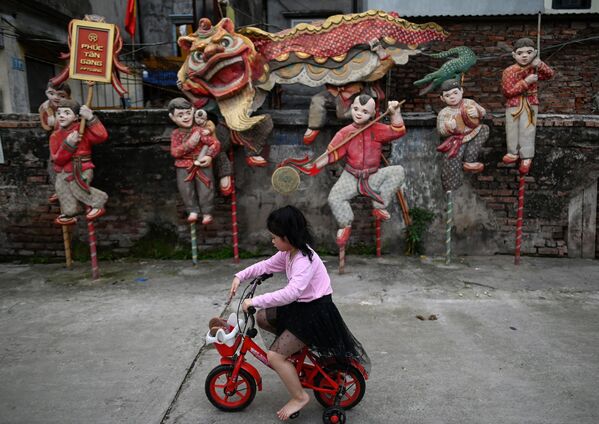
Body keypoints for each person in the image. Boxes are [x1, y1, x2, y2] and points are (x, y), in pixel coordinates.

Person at [229, 205, 369, 421]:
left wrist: (254, 300)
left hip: (314, 314)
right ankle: (292, 357)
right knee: (263, 317)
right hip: (303, 308)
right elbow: (266, 266)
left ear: (287, 237)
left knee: (274, 356)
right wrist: (240, 276)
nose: (272, 241)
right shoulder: (289, 252)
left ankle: (299, 396)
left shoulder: (304, 260)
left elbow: (291, 293)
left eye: (275, 237)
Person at [308, 94, 406, 246]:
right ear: (351, 108)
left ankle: (379, 206)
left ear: (373, 114)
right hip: (351, 177)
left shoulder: (377, 129)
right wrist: (313, 167)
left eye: (365, 111)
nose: (359, 113)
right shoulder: (345, 133)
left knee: (398, 171)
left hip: (373, 175)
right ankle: (345, 224)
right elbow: (331, 154)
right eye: (356, 109)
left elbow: (398, 131)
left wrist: (395, 113)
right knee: (335, 198)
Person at [50, 99, 108, 225]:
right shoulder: (55, 135)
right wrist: (68, 144)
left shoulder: (83, 130)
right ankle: (70, 213)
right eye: (59, 113)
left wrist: (91, 118)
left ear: (76, 117)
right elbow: (58, 160)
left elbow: (101, 136)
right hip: (63, 170)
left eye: (66, 113)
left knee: (77, 187)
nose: (61, 115)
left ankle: (99, 201)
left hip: (81, 167)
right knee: (62, 189)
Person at [502, 37, 554, 174]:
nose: (525, 55)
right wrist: (526, 82)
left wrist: (540, 64)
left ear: (535, 53)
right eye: (520, 53)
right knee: (511, 128)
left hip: (530, 102)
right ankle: (512, 152)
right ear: (514, 55)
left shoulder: (535, 68)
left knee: (528, 130)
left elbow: (550, 74)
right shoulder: (509, 71)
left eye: (529, 52)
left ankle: (526, 157)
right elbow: (508, 92)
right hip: (513, 103)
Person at [168, 98, 220, 224]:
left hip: (202, 163)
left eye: (188, 113)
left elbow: (215, 143)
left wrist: (209, 156)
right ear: (172, 117)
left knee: (206, 188)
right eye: (180, 115)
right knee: (185, 189)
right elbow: (174, 152)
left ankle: (207, 211)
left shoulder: (199, 131)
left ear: (193, 111)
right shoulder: (176, 134)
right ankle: (192, 210)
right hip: (183, 165)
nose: (185, 117)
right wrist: (190, 144)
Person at [436, 78, 489, 191]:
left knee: (484, 129)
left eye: (455, 93)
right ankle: (451, 187)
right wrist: (449, 127)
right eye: (447, 95)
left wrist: (477, 112)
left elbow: (483, 112)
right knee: (452, 159)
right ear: (442, 98)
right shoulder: (444, 113)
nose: (452, 97)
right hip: (457, 139)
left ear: (462, 91)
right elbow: (440, 130)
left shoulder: (469, 103)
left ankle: (470, 162)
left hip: (473, 132)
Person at [39, 81, 71, 203]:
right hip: (56, 141)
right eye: (51, 93)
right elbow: (46, 126)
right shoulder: (45, 107)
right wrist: (49, 114)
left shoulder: (71, 106)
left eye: (61, 95)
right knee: (54, 165)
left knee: (71, 166)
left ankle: (69, 189)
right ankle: (59, 189)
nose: (55, 98)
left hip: (70, 140)